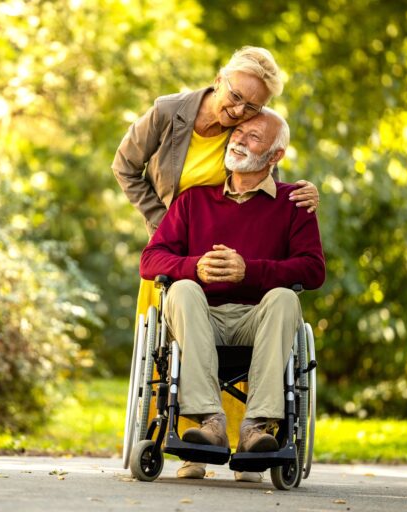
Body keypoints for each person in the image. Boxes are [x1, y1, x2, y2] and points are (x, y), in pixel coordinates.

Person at [112, 47, 320, 468]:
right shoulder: (169, 113)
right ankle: (200, 436)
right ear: (219, 77)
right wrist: (169, 226)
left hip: (245, 301)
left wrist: (302, 198)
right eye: (236, 96)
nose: (239, 116)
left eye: (251, 109)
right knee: (180, 302)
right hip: (181, 256)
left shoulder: (245, 133)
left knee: (282, 299)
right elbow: (125, 168)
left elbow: (265, 182)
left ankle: (254, 435)